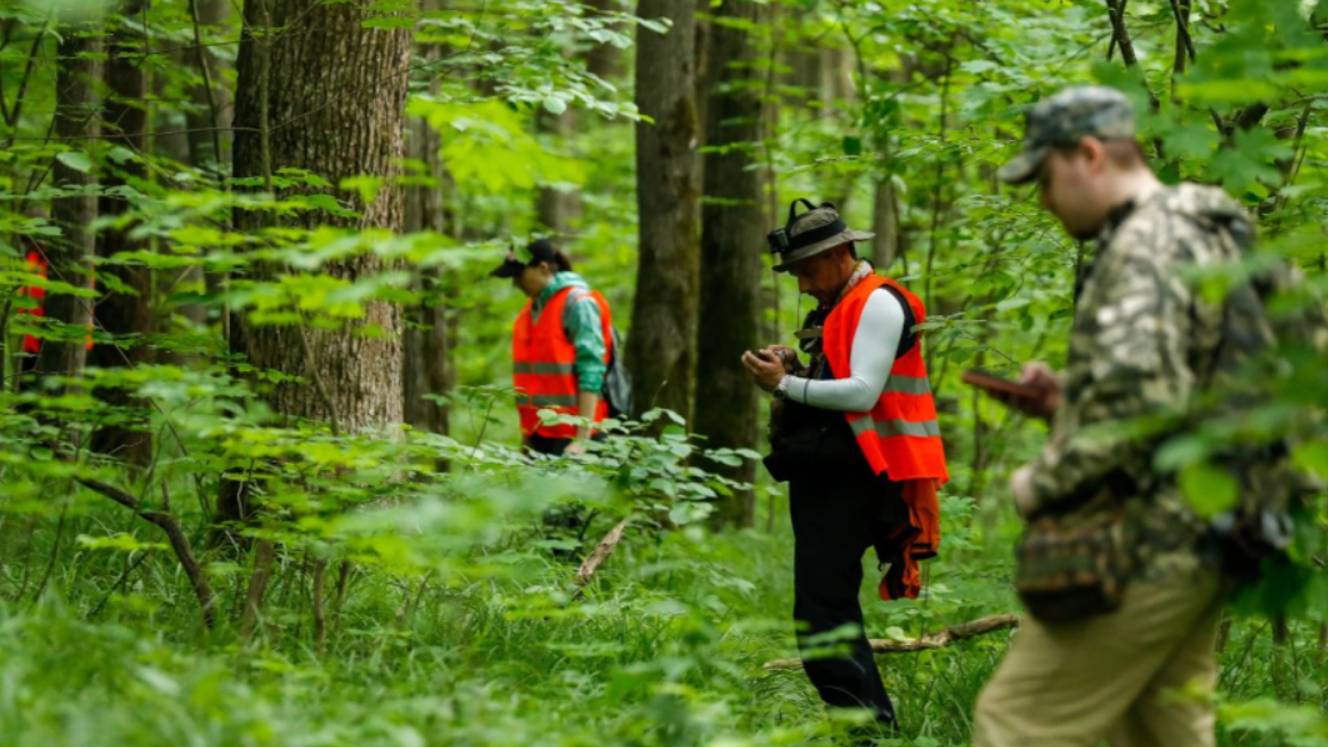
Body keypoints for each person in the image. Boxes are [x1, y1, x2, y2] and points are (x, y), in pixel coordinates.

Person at [972, 85, 1260, 746]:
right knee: (1162, 726)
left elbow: (1144, 404)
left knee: (1016, 723)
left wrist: (1039, 483)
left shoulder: (1141, 247)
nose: (1044, 198)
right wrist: (1070, 396)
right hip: (1218, 524)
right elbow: (1194, 380)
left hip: (1148, 535)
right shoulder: (1204, 227)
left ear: (1090, 155)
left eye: (1045, 178)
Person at [742, 199, 949, 731]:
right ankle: (867, 730)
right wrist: (793, 364)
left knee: (823, 614)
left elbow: (861, 392)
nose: (802, 284)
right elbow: (837, 376)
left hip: (862, 474)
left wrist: (783, 384)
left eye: (807, 270)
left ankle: (871, 734)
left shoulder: (878, 302)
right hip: (829, 472)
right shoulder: (839, 303)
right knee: (822, 611)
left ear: (840, 253)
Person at [491, 239, 613, 456]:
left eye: (519, 275)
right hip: (541, 436)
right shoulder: (531, 312)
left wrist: (582, 440)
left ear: (543, 268)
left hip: (575, 436)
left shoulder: (577, 303)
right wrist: (527, 437)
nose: (516, 283)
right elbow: (532, 381)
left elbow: (592, 370)